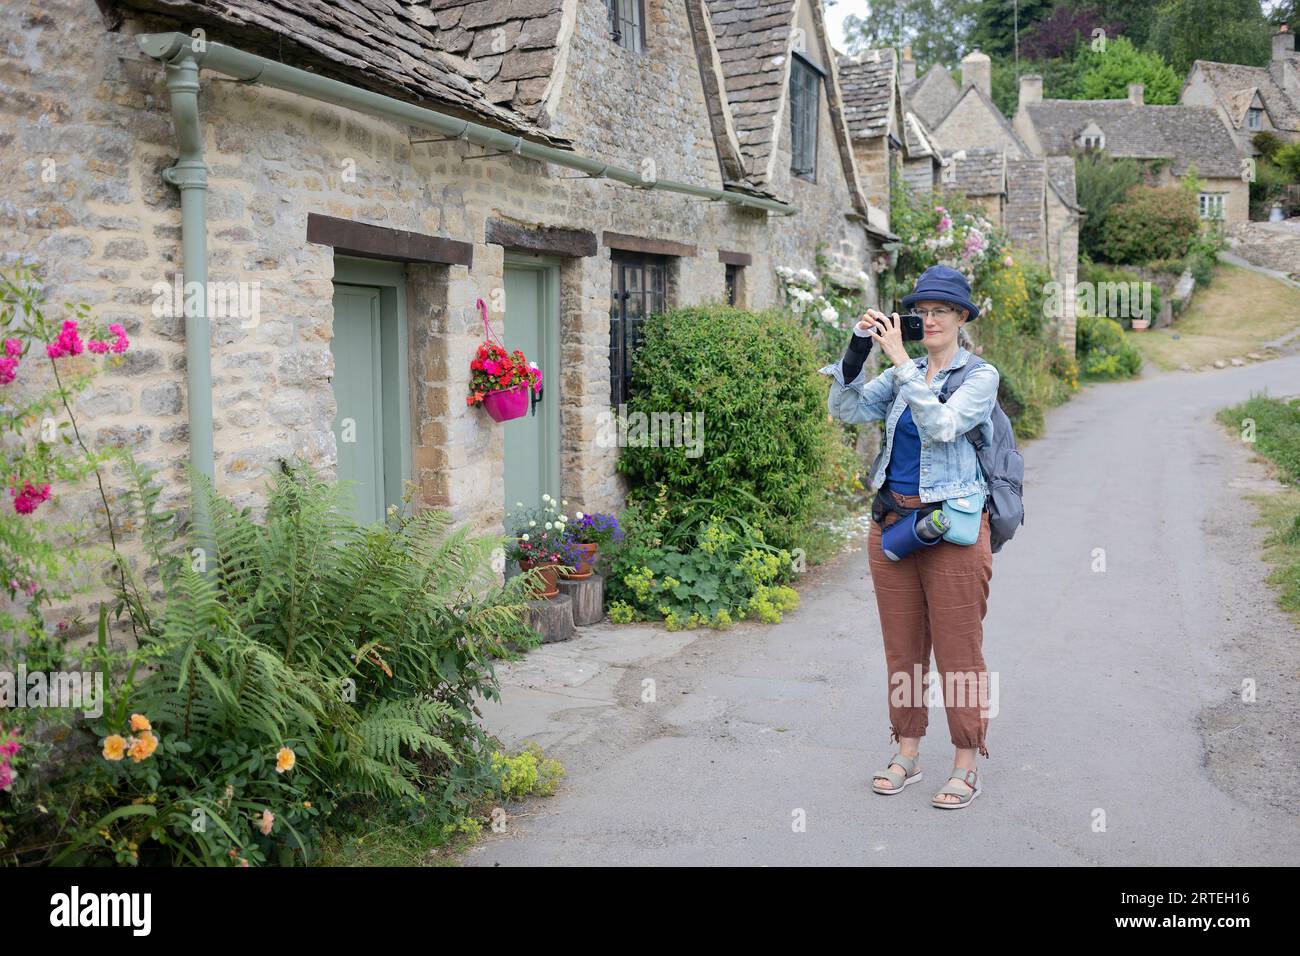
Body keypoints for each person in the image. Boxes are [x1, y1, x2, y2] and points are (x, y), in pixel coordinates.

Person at [820, 264, 1000, 809]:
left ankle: (966, 760)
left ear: (962, 317)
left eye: (940, 311)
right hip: (893, 526)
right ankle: (907, 750)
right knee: (903, 652)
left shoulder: (979, 376)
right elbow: (846, 409)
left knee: (958, 652)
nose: (928, 320)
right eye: (921, 312)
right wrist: (856, 352)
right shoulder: (906, 370)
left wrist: (901, 364)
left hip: (951, 529)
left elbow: (943, 426)